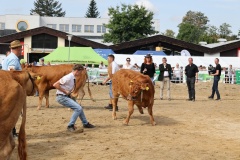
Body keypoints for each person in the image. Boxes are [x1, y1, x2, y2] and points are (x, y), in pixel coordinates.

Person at [53, 64, 95, 132]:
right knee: (78, 108)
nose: (81, 74)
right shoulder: (68, 77)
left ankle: (85, 123)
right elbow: (55, 84)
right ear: (77, 71)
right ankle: (70, 125)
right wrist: (65, 91)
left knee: (79, 107)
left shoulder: (73, 77)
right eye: (81, 72)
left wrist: (69, 94)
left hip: (66, 96)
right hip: (61, 97)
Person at [2, 40, 23, 138]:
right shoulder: (13, 59)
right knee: (12, 111)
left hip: (6, 86)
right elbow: (12, 73)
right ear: (18, 48)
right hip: (11, 88)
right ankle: (11, 132)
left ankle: (12, 131)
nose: (21, 50)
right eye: (20, 49)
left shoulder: (9, 57)